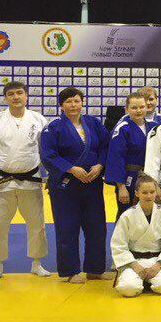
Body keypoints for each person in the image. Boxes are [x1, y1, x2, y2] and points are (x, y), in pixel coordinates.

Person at [0, 80, 50, 280]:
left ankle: (37, 263)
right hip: (2, 180)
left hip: (32, 179)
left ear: (26, 95)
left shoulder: (38, 119)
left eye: (19, 93)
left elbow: (47, 151)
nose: (16, 97)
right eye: (11, 94)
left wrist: (52, 174)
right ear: (5, 98)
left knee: (37, 224)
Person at [40, 87, 109, 283]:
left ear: (82, 103)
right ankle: (71, 271)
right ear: (61, 105)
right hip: (65, 186)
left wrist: (100, 165)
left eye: (77, 101)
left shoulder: (93, 123)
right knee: (67, 228)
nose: (73, 105)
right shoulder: (53, 127)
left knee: (96, 227)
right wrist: (71, 169)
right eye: (68, 102)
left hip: (92, 183)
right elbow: (48, 155)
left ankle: (95, 269)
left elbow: (105, 146)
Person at [109, 174, 161, 297]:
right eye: (145, 192)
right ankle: (139, 281)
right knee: (128, 289)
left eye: (152, 192)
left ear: (156, 192)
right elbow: (118, 245)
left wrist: (158, 265)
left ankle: (145, 281)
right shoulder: (127, 216)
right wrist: (134, 265)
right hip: (134, 261)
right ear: (137, 193)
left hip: (156, 261)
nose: (149, 196)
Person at [106, 92, 151, 219]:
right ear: (127, 109)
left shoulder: (153, 126)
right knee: (126, 215)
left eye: (142, 107)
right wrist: (121, 187)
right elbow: (116, 158)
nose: (138, 110)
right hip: (128, 178)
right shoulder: (122, 128)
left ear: (147, 107)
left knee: (147, 215)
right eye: (134, 107)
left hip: (148, 178)